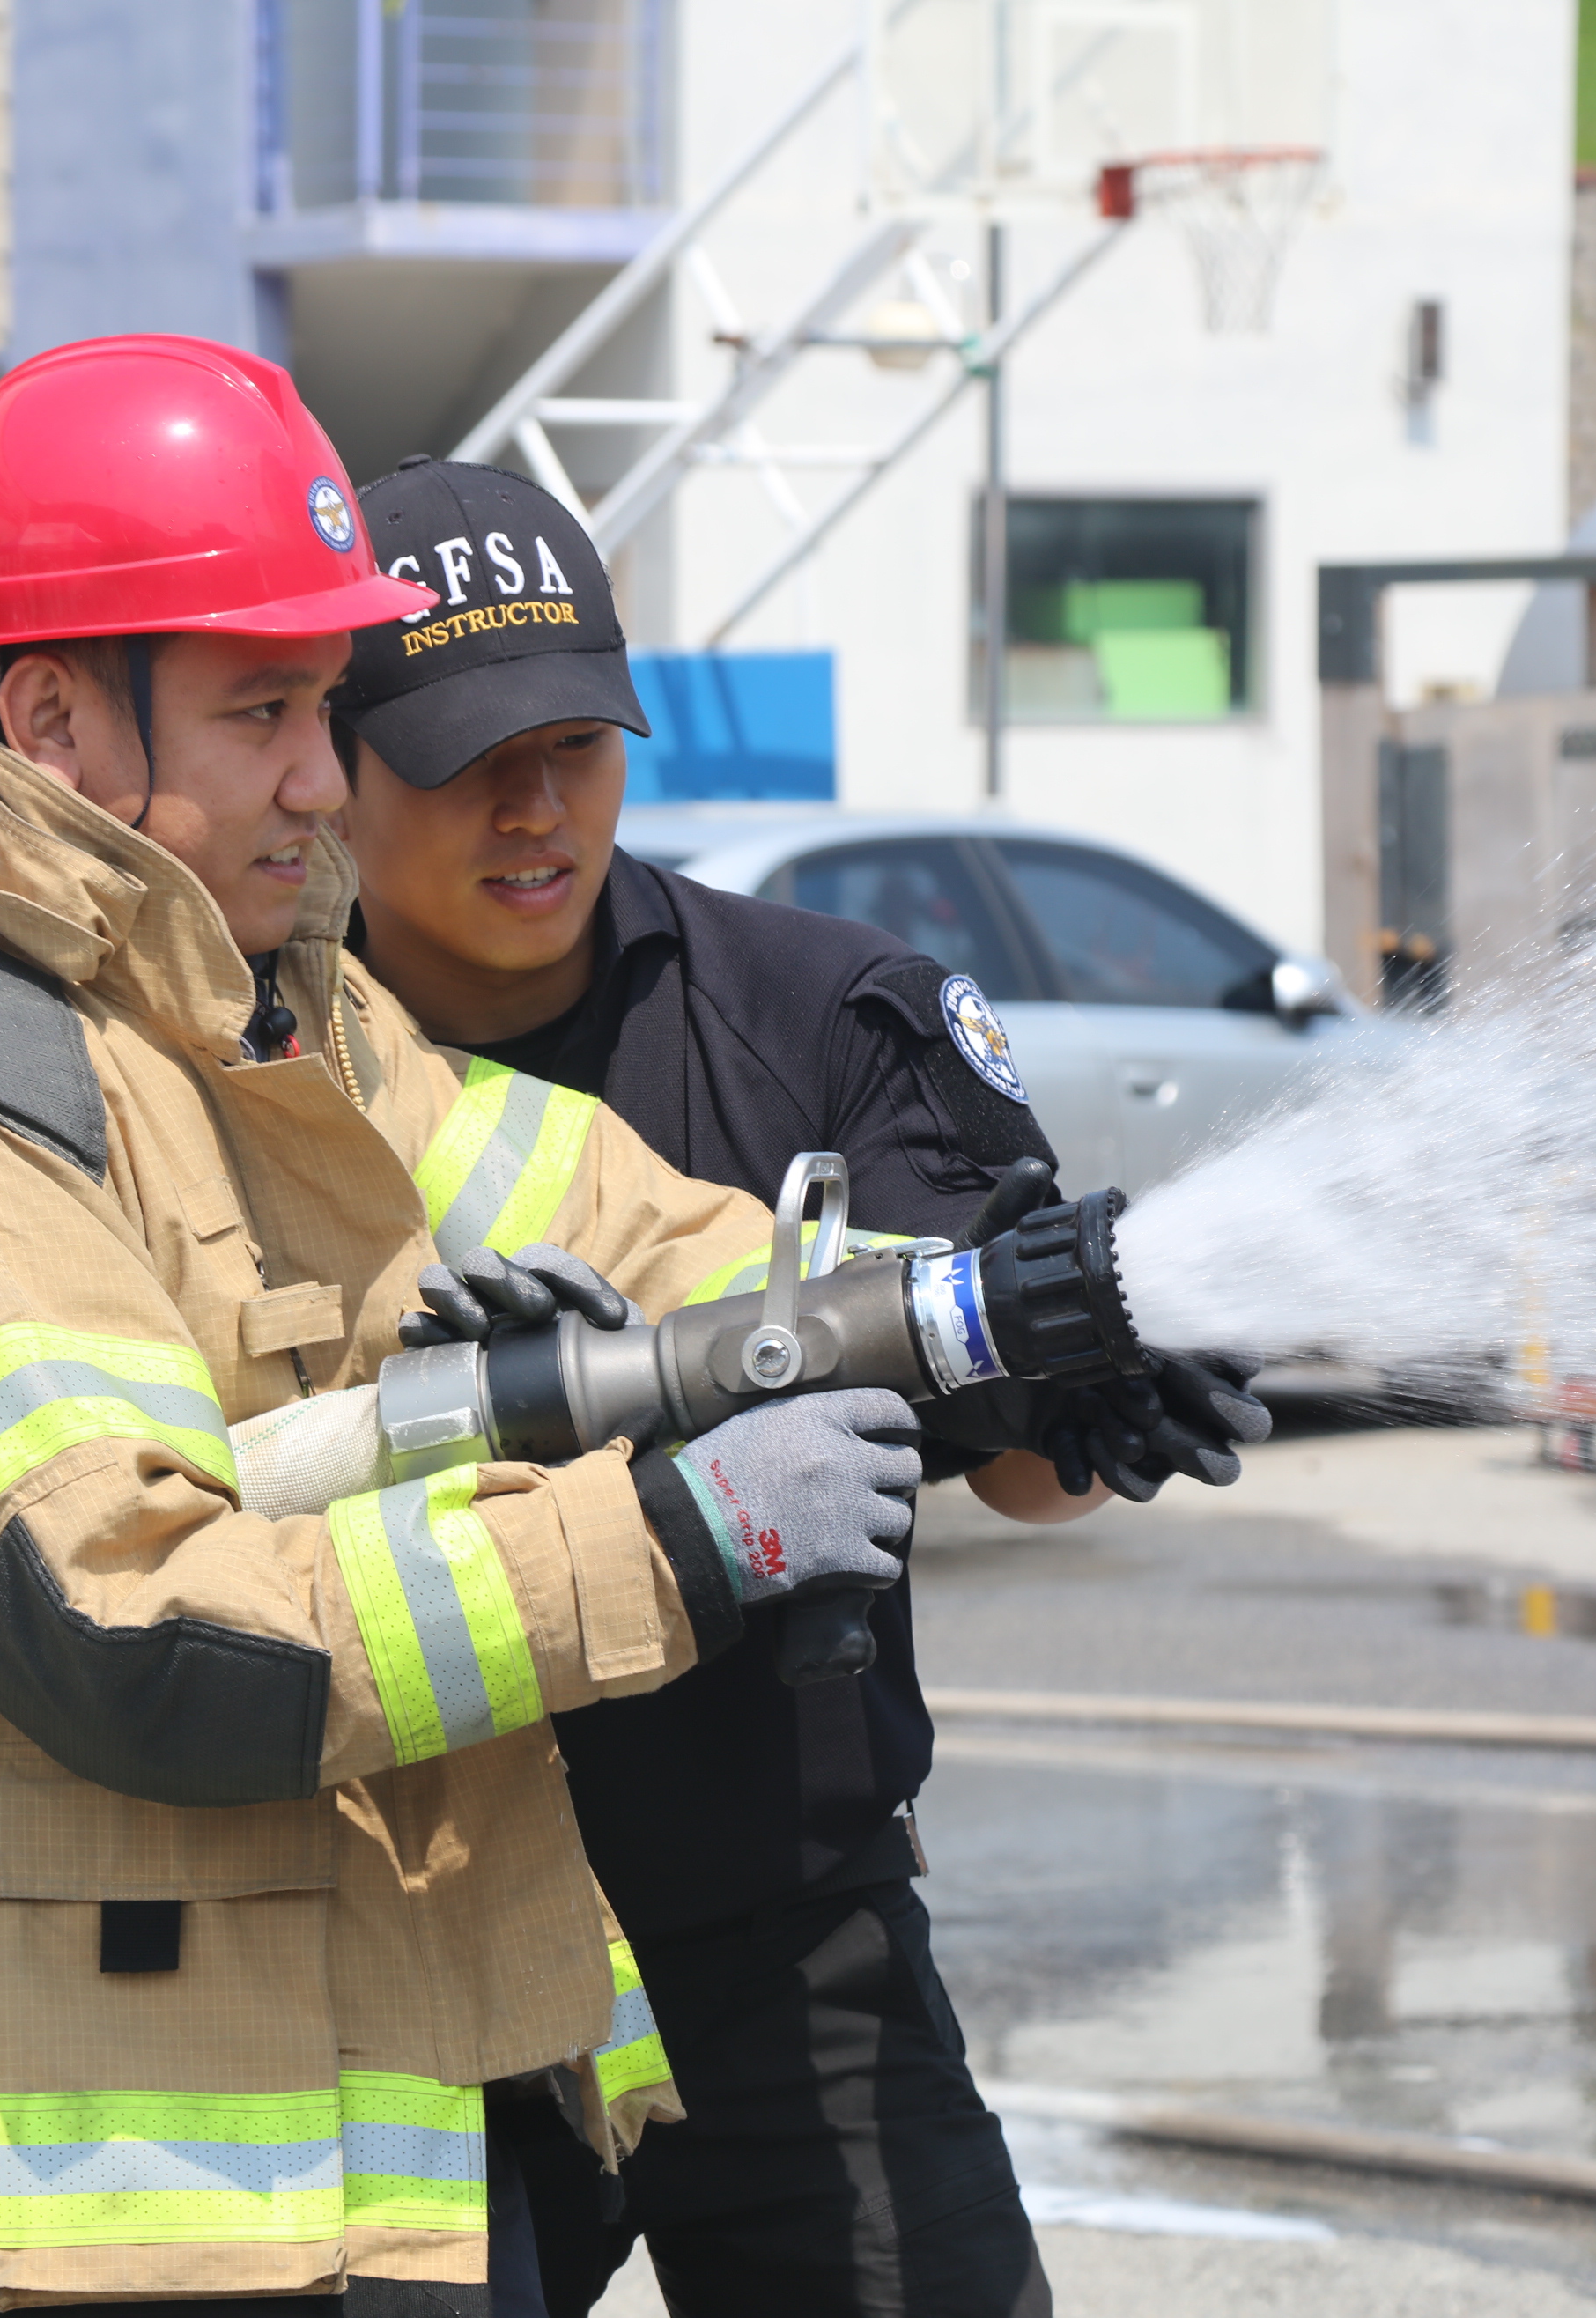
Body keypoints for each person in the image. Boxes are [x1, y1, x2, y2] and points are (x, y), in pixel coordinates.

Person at [0, 334, 929, 2317]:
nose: (319, 773)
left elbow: (623, 1217)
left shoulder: (269, 1012)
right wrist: (672, 1543)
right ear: (55, 718)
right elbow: (136, 1629)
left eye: (323, 705)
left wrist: (969, 1317)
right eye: (263, 710)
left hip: (322, 2169)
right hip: (81, 2223)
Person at [336, 458, 1267, 2318]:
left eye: (575, 746)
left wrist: (1093, 1399)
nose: (535, 810)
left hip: (776, 1925)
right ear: (329, 762)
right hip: (407, 1940)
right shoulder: (253, 1072)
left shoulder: (824, 1018)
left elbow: (1013, 1457)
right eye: (465, 762)